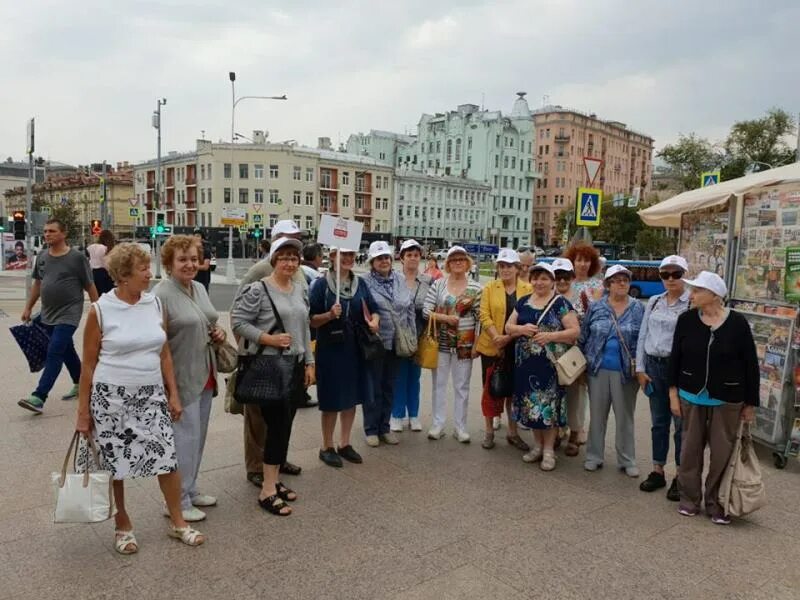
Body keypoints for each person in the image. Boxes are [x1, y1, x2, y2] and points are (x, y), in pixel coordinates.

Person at [75, 243, 205, 553]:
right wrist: (83, 412)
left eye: (149, 267)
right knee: (116, 465)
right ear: (122, 275)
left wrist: (173, 394)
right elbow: (88, 364)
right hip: (112, 399)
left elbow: (164, 354)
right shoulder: (101, 310)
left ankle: (178, 522)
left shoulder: (154, 305)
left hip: (151, 397)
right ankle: (122, 525)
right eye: (143, 269)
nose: (149, 274)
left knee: (167, 461)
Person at [231, 237, 315, 516]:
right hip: (270, 368)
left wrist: (310, 363)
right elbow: (238, 321)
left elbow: (304, 328)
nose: (290, 263)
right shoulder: (259, 289)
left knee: (285, 427)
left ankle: (273, 480)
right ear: (274, 260)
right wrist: (268, 338)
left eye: (294, 258)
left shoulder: (300, 289)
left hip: (295, 365)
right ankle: (267, 489)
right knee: (276, 427)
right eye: (284, 257)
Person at [668, 271, 759, 524]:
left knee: (722, 454)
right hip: (690, 395)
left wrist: (750, 403)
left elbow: (750, 364)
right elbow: (675, 357)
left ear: (714, 295)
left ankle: (716, 502)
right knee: (689, 451)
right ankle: (689, 499)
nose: (691, 295)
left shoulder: (737, 323)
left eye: (697, 291)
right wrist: (673, 393)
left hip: (727, 398)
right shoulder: (686, 320)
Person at [154, 235, 227, 522]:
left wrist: (218, 332)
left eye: (194, 259)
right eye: (182, 259)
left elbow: (207, 319)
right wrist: (169, 389)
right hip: (181, 376)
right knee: (183, 439)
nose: (190, 264)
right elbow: (158, 343)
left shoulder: (198, 287)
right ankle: (177, 500)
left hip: (205, 371)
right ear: (169, 263)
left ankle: (191, 488)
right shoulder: (161, 294)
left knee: (198, 437)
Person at [18, 219, 99, 414]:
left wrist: (99, 310)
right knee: (66, 350)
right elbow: (38, 283)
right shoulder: (43, 256)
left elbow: (89, 285)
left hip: (69, 313)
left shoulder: (77, 258)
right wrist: (28, 307)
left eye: (52, 231)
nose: (47, 234)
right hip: (48, 313)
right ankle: (81, 383)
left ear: (64, 233)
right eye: (45, 231)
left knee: (54, 351)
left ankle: (39, 396)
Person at [505, 263, 579, 470]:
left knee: (549, 409)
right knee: (531, 408)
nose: (539, 282)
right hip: (525, 365)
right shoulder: (523, 302)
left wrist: (551, 336)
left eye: (544, 278)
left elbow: (574, 331)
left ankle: (549, 451)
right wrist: (521, 329)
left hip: (549, 367)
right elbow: (508, 327)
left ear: (552, 281)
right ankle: (537, 446)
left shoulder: (560, 303)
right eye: (536, 278)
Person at [310, 247, 379, 467]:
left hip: (355, 347)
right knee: (331, 398)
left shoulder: (361, 283)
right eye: (343, 255)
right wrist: (329, 315)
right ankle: (327, 446)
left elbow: (374, 308)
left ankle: (345, 443)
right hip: (331, 347)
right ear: (332, 257)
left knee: (351, 396)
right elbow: (311, 319)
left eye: (351, 255)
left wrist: (375, 321)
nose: (348, 258)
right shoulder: (322, 285)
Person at [580, 265, 644, 476]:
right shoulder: (596, 307)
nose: (622, 283)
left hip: (626, 371)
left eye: (625, 279)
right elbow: (584, 335)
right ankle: (594, 455)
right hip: (597, 369)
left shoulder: (638, 308)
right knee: (597, 415)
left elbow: (644, 339)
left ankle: (627, 459)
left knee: (625, 416)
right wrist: (581, 365)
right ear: (607, 284)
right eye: (616, 280)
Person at [635, 256, 691, 501]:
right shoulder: (655, 301)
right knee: (658, 422)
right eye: (665, 274)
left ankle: (680, 475)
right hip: (653, 366)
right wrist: (640, 368)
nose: (670, 279)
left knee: (681, 426)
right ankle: (658, 469)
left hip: (678, 369)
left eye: (676, 274)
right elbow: (643, 334)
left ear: (685, 275)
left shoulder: (691, 303)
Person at [422, 246, 482, 442]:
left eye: (461, 259)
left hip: (465, 345)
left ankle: (460, 427)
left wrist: (476, 345)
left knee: (462, 386)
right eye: (454, 259)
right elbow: (425, 311)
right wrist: (445, 318)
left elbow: (481, 319)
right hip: (441, 343)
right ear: (447, 263)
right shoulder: (438, 284)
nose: (458, 262)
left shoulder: (476, 288)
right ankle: (438, 424)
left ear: (467, 263)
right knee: (439, 384)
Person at [475, 248, 532, 451]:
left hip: (518, 347)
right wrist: (495, 337)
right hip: (492, 346)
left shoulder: (528, 289)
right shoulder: (490, 288)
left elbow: (530, 318)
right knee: (490, 390)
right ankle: (489, 432)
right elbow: (483, 314)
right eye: (501, 266)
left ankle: (513, 432)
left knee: (514, 392)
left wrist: (507, 337)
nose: (505, 269)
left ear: (518, 268)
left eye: (509, 266)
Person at [362, 241, 415, 447]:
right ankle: (371, 429)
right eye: (379, 258)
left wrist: (411, 334)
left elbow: (409, 308)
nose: (384, 261)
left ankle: (385, 427)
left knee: (389, 386)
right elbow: (362, 310)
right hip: (375, 343)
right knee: (373, 386)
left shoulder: (400, 279)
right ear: (372, 262)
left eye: (386, 257)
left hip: (397, 342)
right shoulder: (364, 281)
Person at [390, 239, 432, 433]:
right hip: (398, 335)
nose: (413, 258)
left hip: (419, 335)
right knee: (398, 376)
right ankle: (397, 415)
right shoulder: (393, 279)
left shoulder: (427, 281)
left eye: (416, 255)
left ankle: (414, 415)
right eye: (409, 255)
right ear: (402, 257)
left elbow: (432, 306)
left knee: (414, 378)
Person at [550, 257, 585, 457]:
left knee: (574, 397)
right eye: (558, 277)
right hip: (551, 354)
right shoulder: (547, 295)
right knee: (554, 395)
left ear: (572, 277)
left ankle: (574, 433)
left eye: (566, 277)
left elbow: (587, 328)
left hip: (573, 355)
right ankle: (556, 431)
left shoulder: (582, 297)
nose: (562, 281)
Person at [563, 242, 604, 315]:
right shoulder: (564, 283)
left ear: (592, 263)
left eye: (586, 261)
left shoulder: (598, 285)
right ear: (572, 262)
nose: (583, 264)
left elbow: (595, 310)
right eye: (579, 260)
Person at [86, 230, 115, 295]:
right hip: (104, 273)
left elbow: (89, 257)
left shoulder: (92, 247)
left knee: (97, 293)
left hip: (93, 273)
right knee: (107, 294)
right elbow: (106, 263)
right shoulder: (105, 248)